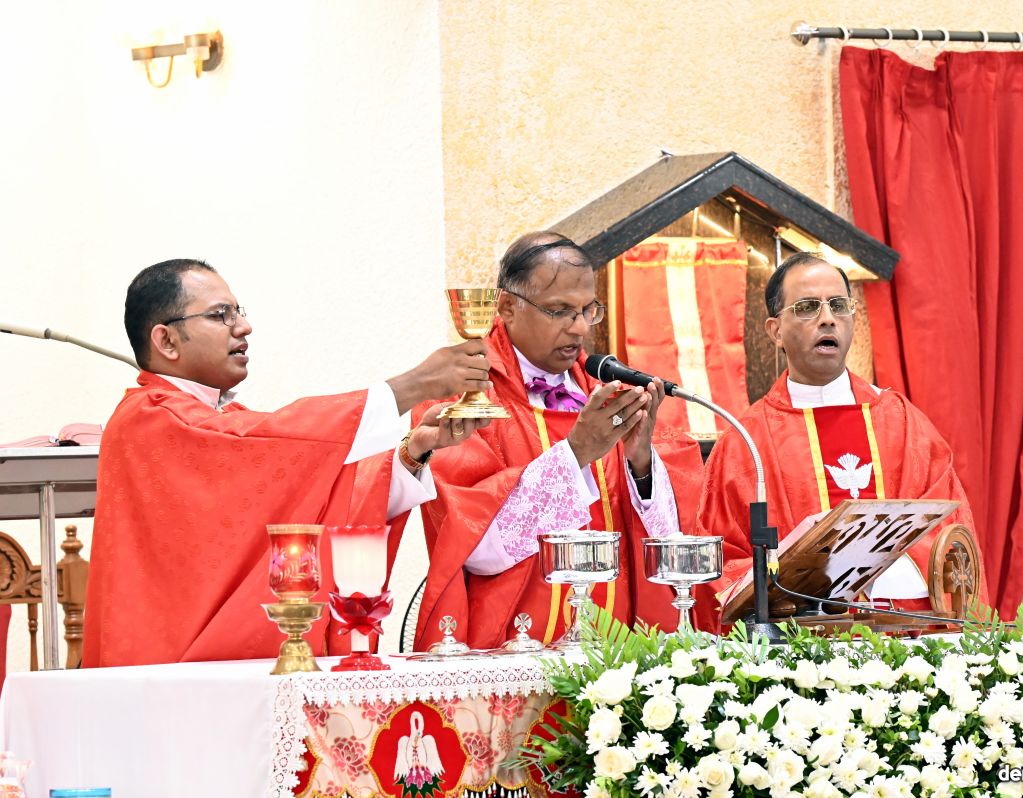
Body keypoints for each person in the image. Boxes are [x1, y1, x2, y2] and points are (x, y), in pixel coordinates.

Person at [83, 259, 491, 667]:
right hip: (165, 666)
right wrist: (414, 385)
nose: (243, 327)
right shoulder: (152, 418)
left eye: (239, 312)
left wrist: (413, 451)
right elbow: (280, 438)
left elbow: (318, 501)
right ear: (166, 340)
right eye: (220, 315)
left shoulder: (213, 419)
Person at [413, 232, 705, 650]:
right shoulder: (461, 396)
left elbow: (676, 538)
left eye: (588, 310)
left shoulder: (607, 390)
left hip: (618, 654)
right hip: (511, 651)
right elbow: (475, 548)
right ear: (507, 307)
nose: (581, 327)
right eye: (560, 311)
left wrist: (640, 465)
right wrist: (577, 453)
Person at [696, 252, 984, 628]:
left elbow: (951, 536)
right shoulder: (746, 442)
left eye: (837, 305)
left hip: (901, 638)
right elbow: (721, 559)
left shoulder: (902, 423)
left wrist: (873, 573)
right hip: (797, 647)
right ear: (775, 331)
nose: (827, 318)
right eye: (807, 307)